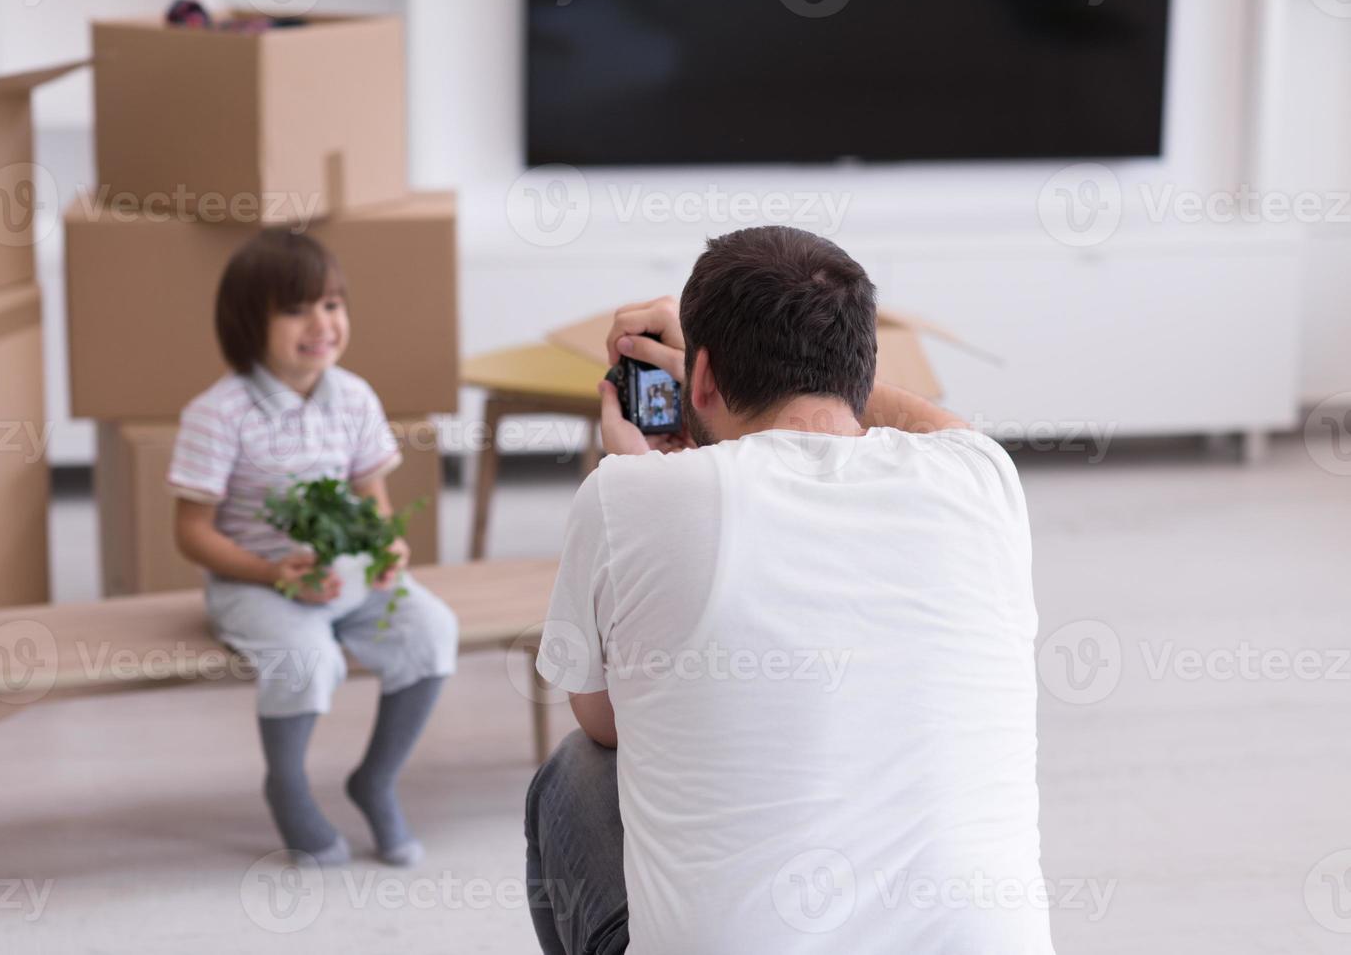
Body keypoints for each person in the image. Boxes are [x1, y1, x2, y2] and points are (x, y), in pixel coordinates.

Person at [525, 226, 1051, 954]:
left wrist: (641, 478)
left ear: (699, 379)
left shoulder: (628, 496)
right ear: (859, 369)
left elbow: (605, 722)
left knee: (575, 776)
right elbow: (944, 426)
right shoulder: (982, 479)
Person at [169, 230, 457, 866]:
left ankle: (375, 779)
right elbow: (191, 531)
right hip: (253, 583)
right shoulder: (217, 414)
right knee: (307, 659)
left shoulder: (353, 396)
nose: (321, 323)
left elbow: (371, 493)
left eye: (331, 304)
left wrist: (385, 545)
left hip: (347, 575)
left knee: (432, 630)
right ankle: (288, 786)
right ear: (250, 323)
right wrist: (273, 574)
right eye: (296, 309)